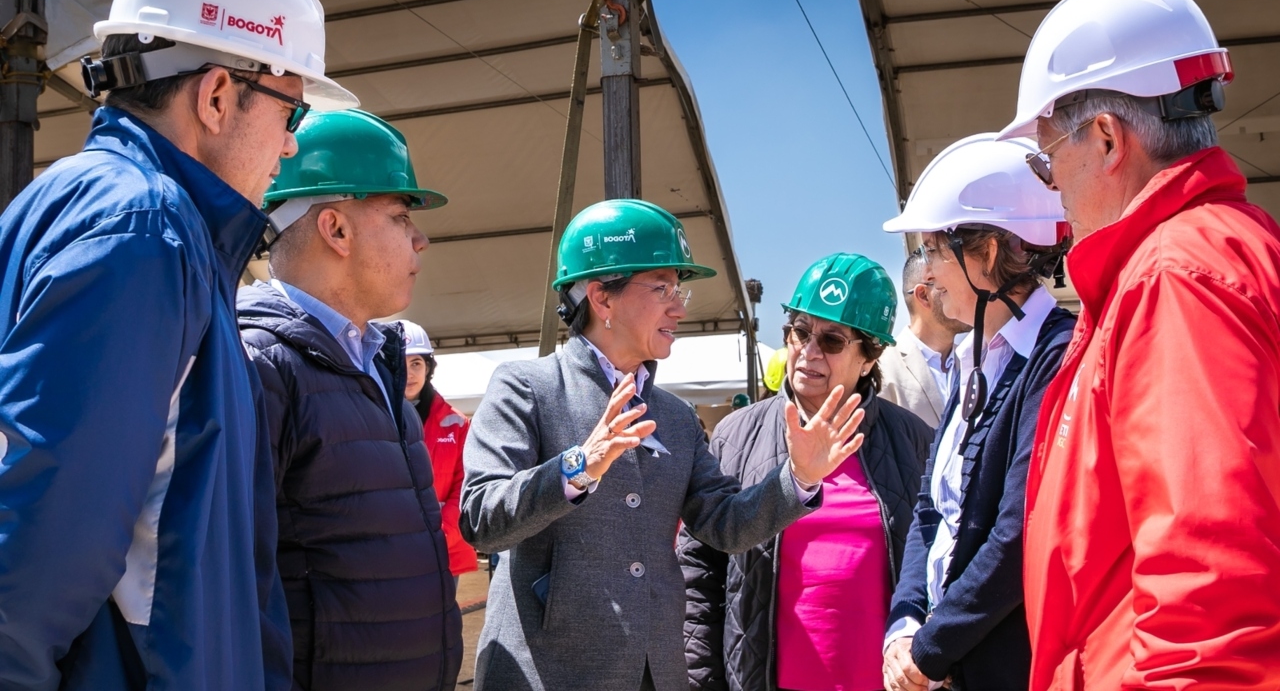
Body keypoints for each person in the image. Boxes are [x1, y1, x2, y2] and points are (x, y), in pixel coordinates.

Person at [0, 0, 353, 687]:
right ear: (218, 95)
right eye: (292, 114)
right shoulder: (145, 233)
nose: (290, 149)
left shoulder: (78, 205)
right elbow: (37, 543)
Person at [997, 0, 1280, 688]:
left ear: (1105, 137)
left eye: (1045, 156)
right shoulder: (1202, 257)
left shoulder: (1173, 278)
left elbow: (1210, 595)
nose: (1051, 183)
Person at [461, 199, 866, 691]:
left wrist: (798, 478)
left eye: (680, 290)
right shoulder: (527, 387)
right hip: (547, 673)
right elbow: (481, 519)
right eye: (662, 289)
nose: (679, 306)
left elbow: (724, 525)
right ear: (601, 298)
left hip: (655, 673)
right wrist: (579, 466)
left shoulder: (674, 416)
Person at [237, 109, 461, 690]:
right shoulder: (262, 366)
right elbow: (227, 588)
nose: (421, 239)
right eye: (400, 215)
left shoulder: (378, 364)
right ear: (335, 230)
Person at [679, 252, 932, 691]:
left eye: (832, 341)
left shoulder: (913, 440)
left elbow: (937, 564)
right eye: (799, 332)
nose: (808, 353)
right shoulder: (736, 436)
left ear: (869, 358)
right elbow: (698, 572)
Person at [880, 134, 1076, 690]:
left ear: (987, 253)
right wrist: (904, 622)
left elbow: (1018, 533)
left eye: (935, 252)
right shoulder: (972, 357)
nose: (925, 274)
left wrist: (931, 647)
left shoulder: (1053, 356)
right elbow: (930, 509)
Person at [401, 320, 480, 582]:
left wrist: (440, 536)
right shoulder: (370, 418)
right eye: (402, 364)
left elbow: (465, 486)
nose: (410, 373)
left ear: (428, 368)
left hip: (444, 550)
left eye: (416, 363)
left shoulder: (456, 424)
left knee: (440, 622)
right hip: (390, 552)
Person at [879, 250, 971, 428]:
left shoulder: (976, 362)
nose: (965, 292)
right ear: (923, 295)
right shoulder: (882, 369)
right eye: (951, 283)